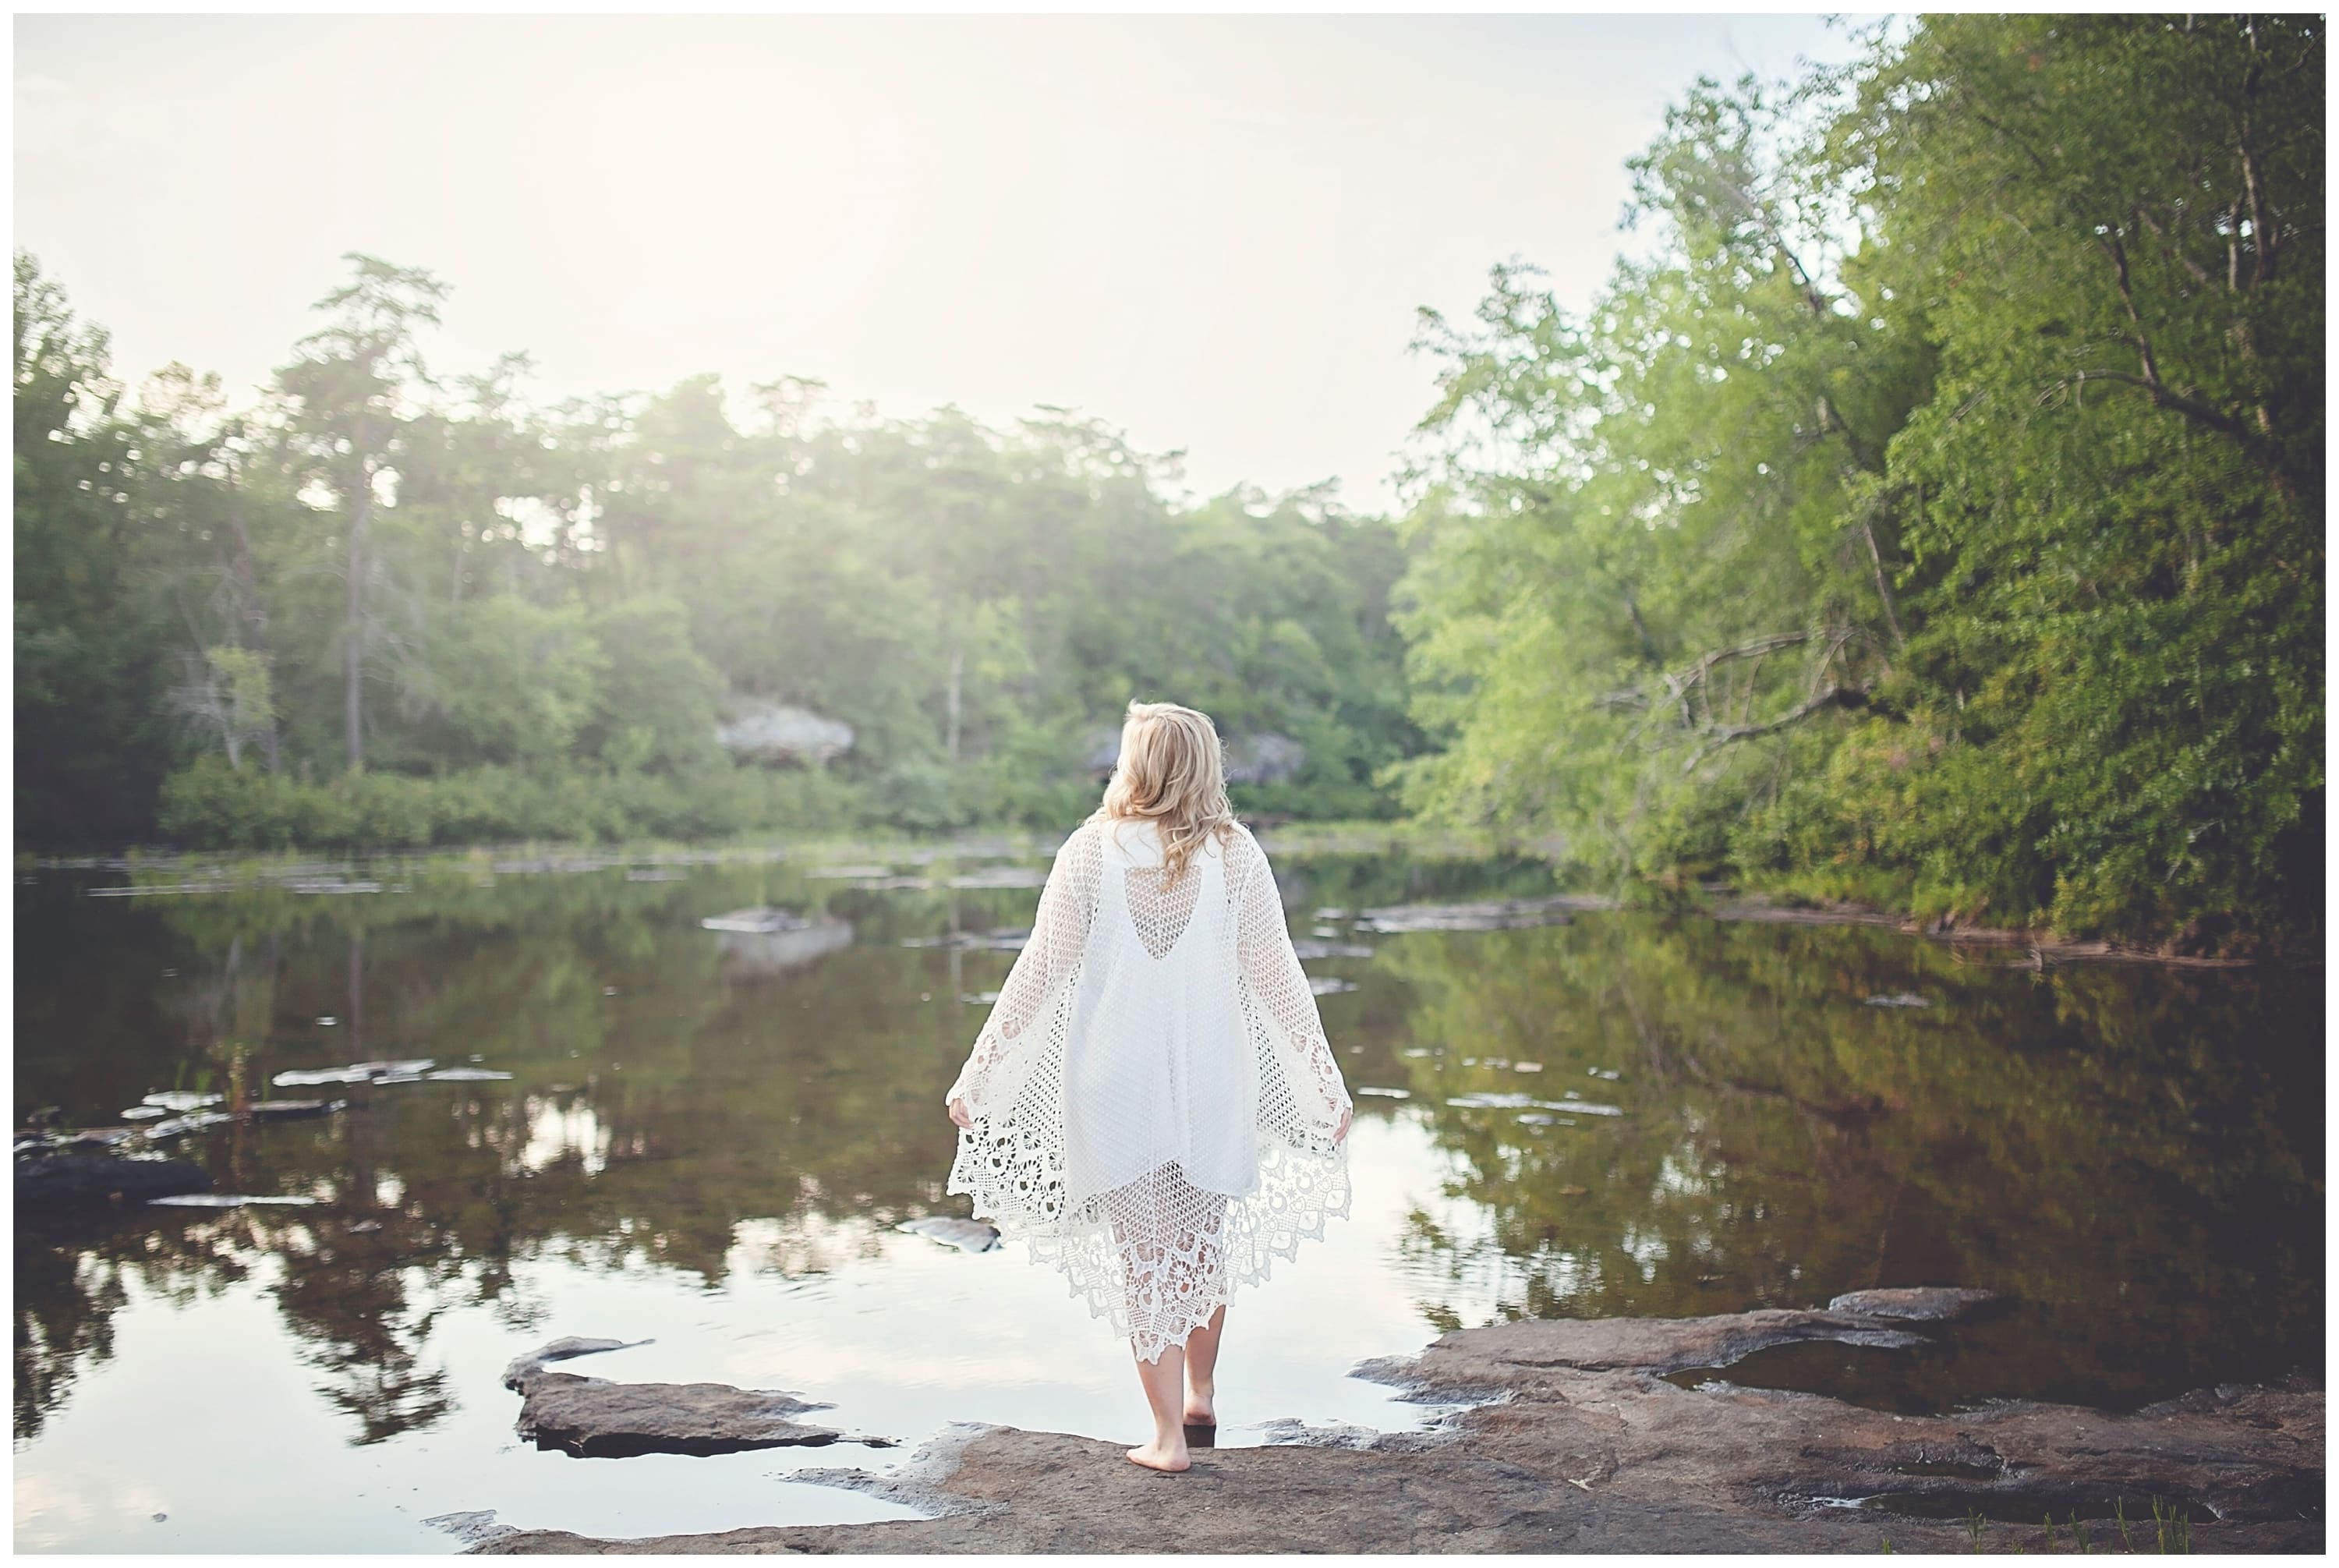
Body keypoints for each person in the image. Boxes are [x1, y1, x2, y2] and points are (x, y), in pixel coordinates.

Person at [944, 699, 1355, 1473]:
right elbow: (1278, 977)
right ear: (1205, 764)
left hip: (1114, 1081)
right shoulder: (1235, 853)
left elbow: (1041, 968)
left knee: (1147, 1259)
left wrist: (982, 1068)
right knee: (1201, 1248)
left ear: (1138, 764)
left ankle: (1168, 1437)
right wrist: (1323, 1079)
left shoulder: (1089, 851)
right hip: (1210, 1079)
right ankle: (1200, 1395)